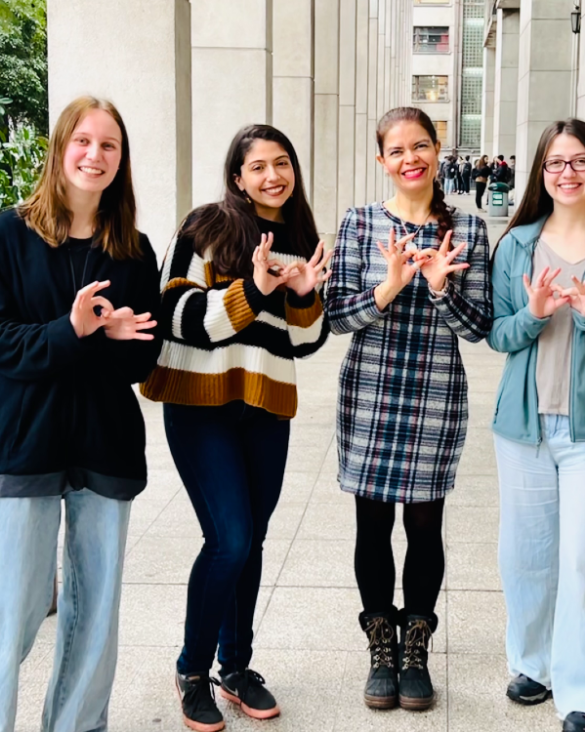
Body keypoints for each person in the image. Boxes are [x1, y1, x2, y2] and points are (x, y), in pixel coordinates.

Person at [0, 96, 162, 732]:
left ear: (122, 161)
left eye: (109, 146)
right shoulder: (10, 233)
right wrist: (76, 332)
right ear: (60, 148)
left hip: (104, 443)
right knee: (7, 605)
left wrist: (115, 339)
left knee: (94, 607)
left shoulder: (133, 249)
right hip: (26, 442)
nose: (94, 156)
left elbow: (142, 359)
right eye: (83, 141)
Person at [141, 124, 331, 732]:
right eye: (258, 167)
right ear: (236, 177)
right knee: (230, 537)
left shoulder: (300, 237)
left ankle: (236, 666)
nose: (273, 175)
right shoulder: (205, 227)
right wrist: (253, 287)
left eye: (282, 163)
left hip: (266, 406)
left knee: (252, 540)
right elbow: (174, 314)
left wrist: (303, 294)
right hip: (201, 404)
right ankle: (192, 669)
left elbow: (304, 342)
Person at [326, 106, 492, 712]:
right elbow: (336, 316)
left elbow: (479, 328)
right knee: (371, 524)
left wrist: (442, 289)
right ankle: (381, 645)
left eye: (420, 146)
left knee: (425, 525)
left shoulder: (468, 230)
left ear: (437, 149)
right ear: (382, 161)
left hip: (434, 393)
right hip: (369, 391)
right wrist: (390, 286)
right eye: (396, 151)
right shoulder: (360, 222)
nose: (410, 159)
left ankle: (416, 645)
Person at [489, 119, 585, 732]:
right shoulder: (517, 244)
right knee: (524, 555)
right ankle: (535, 664)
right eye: (555, 164)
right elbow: (498, 333)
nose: (567, 173)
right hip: (523, 425)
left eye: (579, 161)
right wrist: (532, 314)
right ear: (541, 174)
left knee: (584, 559)